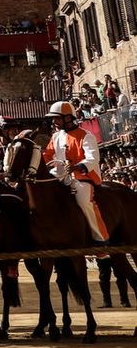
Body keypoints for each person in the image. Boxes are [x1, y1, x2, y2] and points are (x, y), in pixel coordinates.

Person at [45, 100, 108, 242]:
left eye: (56, 118)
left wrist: (76, 167)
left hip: (83, 176)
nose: (54, 121)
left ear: (67, 118)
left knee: (84, 201)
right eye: (53, 118)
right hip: (60, 174)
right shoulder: (55, 136)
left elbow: (93, 158)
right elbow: (47, 156)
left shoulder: (86, 135)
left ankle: (100, 239)